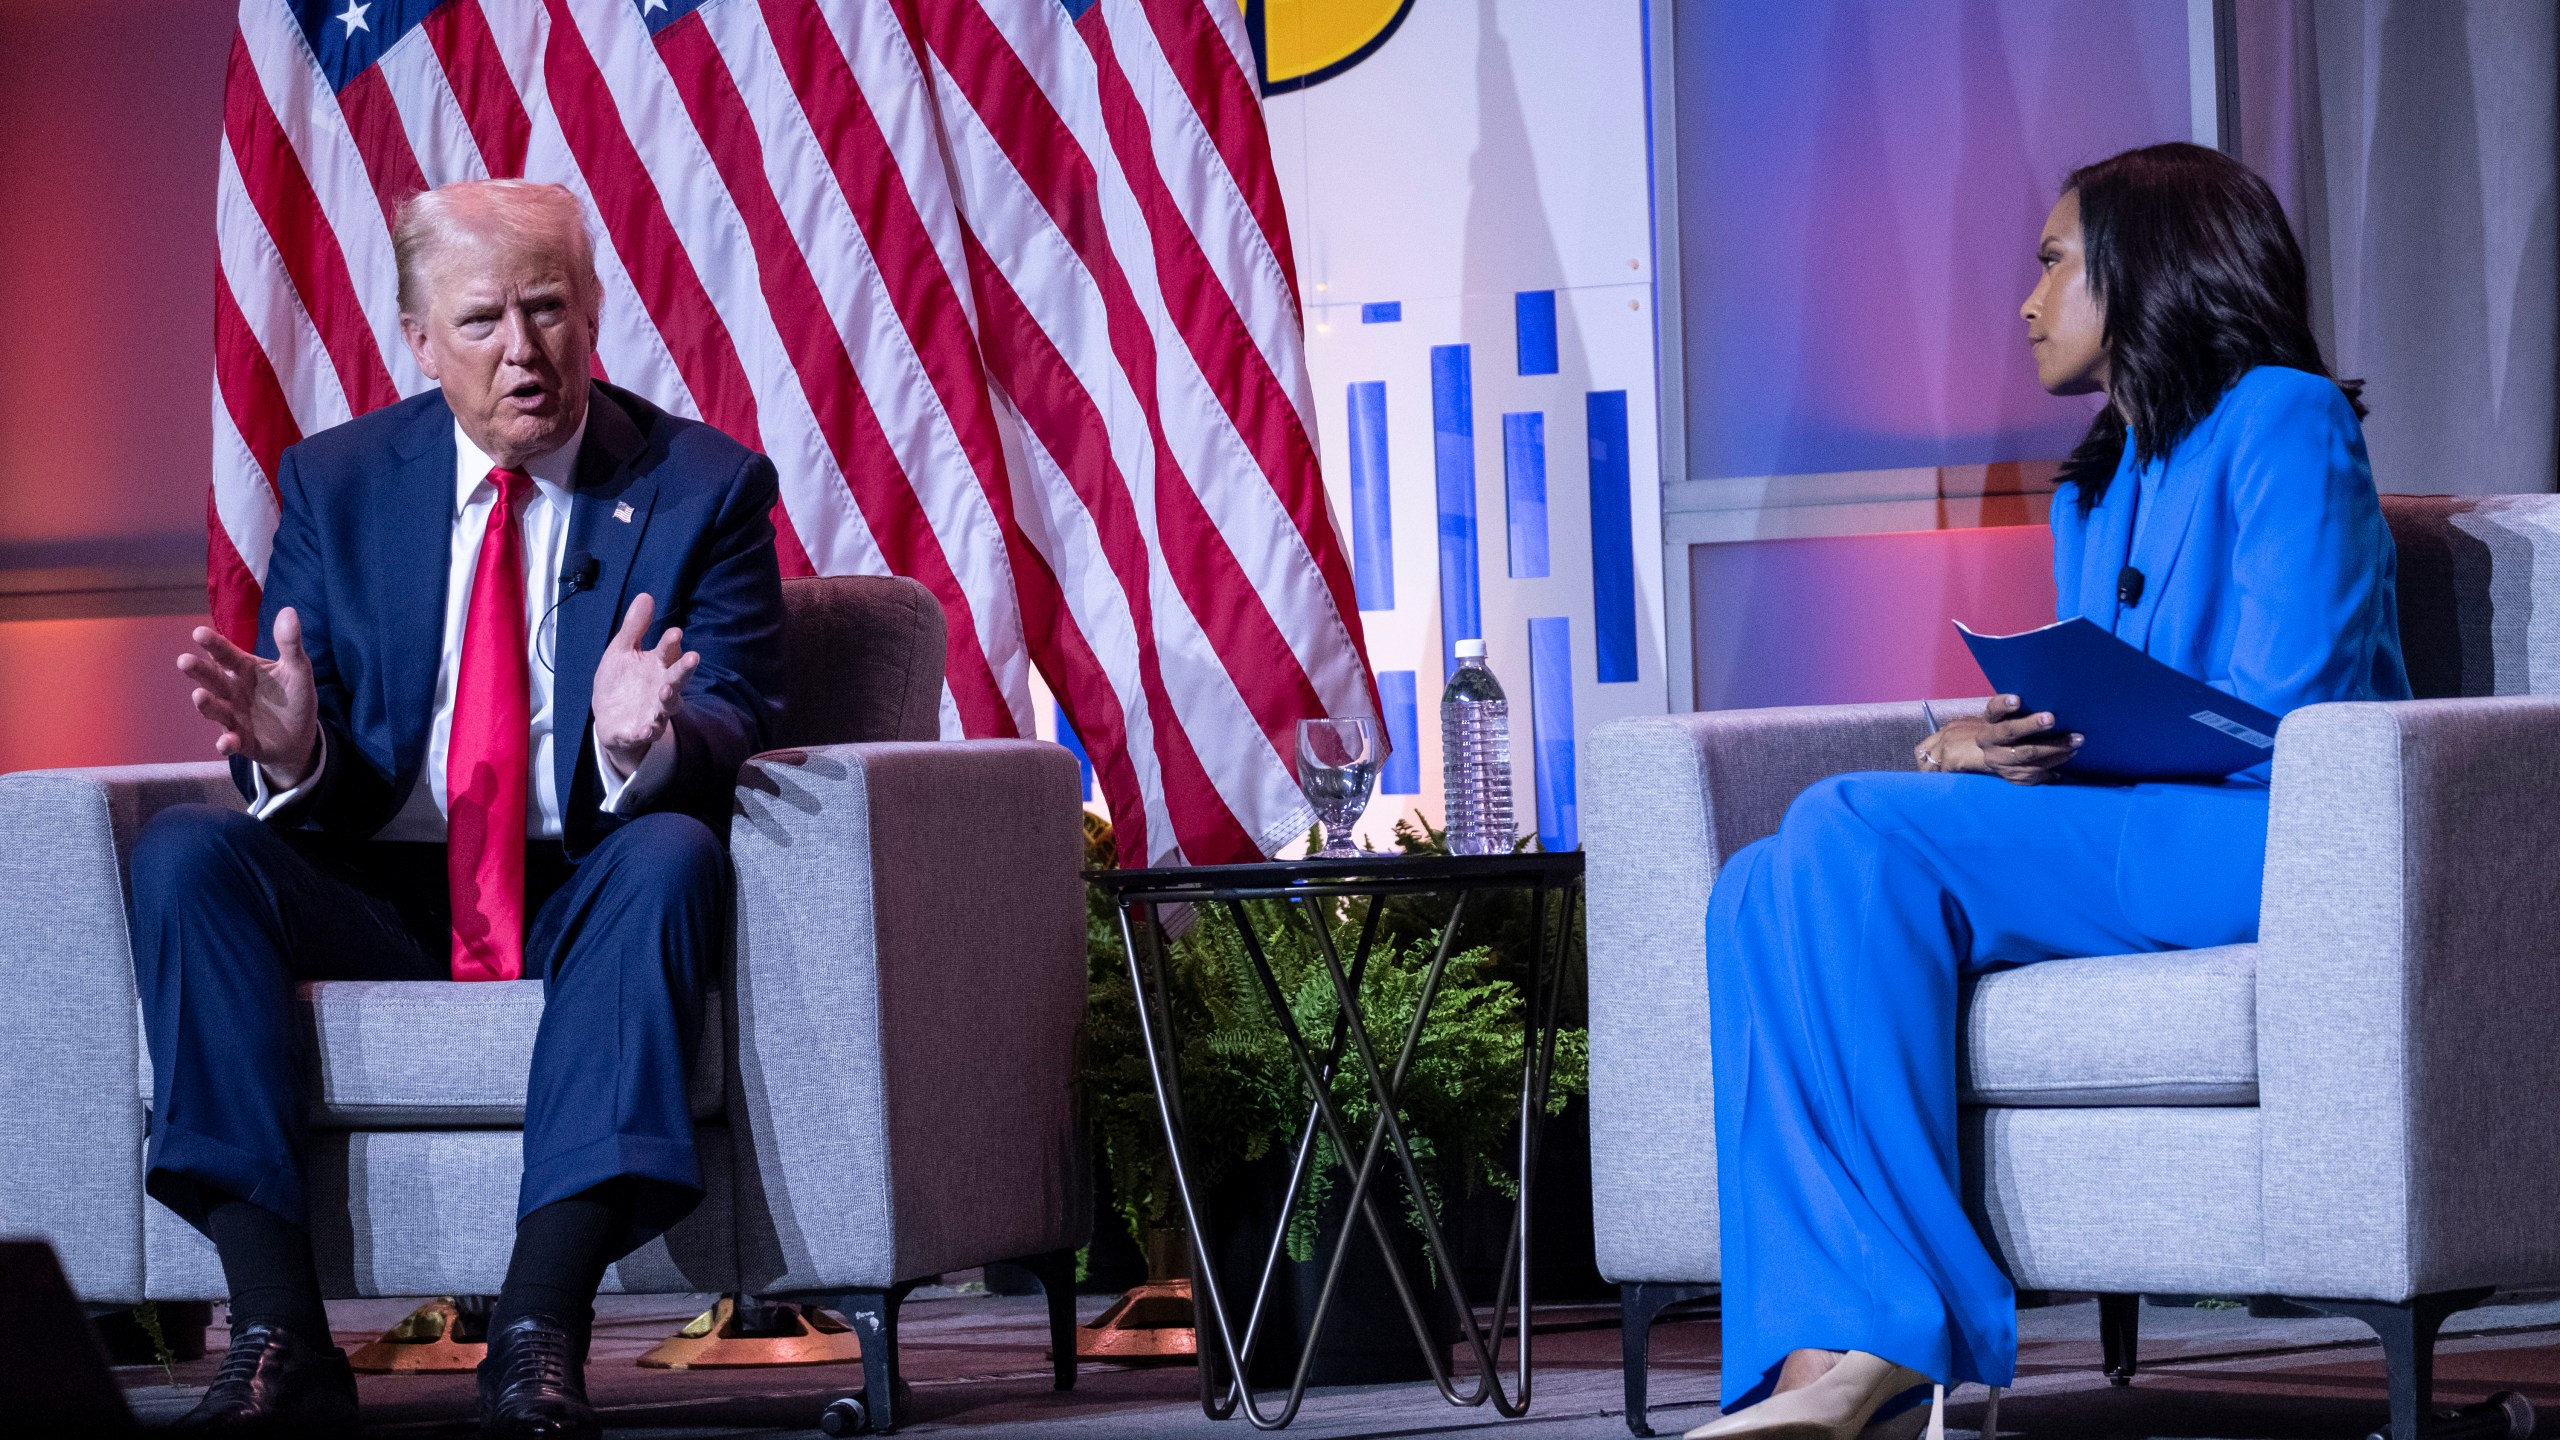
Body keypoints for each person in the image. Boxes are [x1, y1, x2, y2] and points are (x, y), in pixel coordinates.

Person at [1688, 143, 2409, 1440]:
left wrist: (2077, 738)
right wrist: (1994, 740)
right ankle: (1820, 1357)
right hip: (2135, 827)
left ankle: (1900, 1337)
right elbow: (2104, 703)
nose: (2028, 304)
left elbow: (2291, 706)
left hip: (2271, 839)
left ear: (2150, 264)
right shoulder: (2103, 479)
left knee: (1847, 826)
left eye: (2054, 261)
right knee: (1756, 887)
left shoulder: (2288, 420)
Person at [136, 179, 784, 1439]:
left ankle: (540, 1333)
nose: (523, 351)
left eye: (549, 309)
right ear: (420, 341)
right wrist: (293, 749)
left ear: (594, 312)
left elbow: (744, 710)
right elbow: (297, 693)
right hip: (379, 884)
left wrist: (642, 740)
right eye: (482, 320)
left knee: (666, 856)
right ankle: (277, 1336)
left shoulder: (706, 487)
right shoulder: (337, 483)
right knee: (185, 857)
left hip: (582, 874)